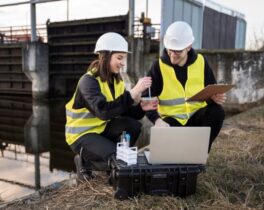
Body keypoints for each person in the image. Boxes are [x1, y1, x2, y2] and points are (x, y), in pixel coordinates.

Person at [65, 32, 158, 181]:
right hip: (81, 136)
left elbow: (124, 111)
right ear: (105, 56)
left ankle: (114, 166)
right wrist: (133, 92)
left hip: (101, 130)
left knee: (134, 126)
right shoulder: (88, 82)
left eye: (124, 58)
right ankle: (84, 163)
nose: (123, 63)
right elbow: (103, 112)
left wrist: (141, 108)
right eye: (119, 58)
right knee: (116, 156)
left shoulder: (117, 82)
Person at [145, 21, 226, 152]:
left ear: (188, 47)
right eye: (170, 50)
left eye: (177, 51)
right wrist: (156, 120)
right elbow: (147, 99)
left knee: (217, 112)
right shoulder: (158, 67)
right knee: (171, 155)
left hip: (197, 116)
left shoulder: (201, 62)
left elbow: (211, 91)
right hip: (172, 121)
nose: (172, 55)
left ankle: (200, 154)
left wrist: (214, 98)